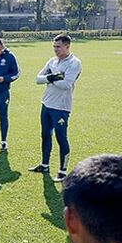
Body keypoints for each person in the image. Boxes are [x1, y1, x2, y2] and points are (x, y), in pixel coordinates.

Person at [30, 34, 81, 181]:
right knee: (45, 135)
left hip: (61, 107)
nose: (55, 49)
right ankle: (44, 165)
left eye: (58, 46)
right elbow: (37, 78)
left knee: (61, 138)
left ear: (67, 46)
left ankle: (62, 171)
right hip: (46, 104)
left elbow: (66, 85)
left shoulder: (74, 63)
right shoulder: (52, 61)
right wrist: (52, 77)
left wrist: (50, 79)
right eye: (54, 46)